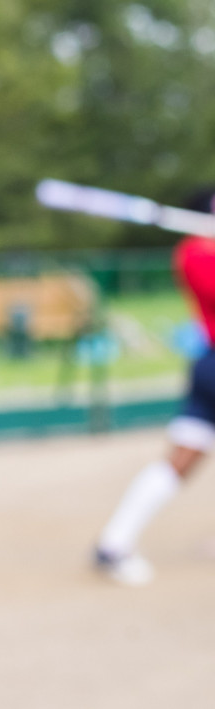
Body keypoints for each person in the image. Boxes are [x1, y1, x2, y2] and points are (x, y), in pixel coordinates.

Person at [94, 188, 215, 586]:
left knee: (186, 454)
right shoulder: (195, 255)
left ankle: (114, 542)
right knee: (178, 460)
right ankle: (115, 544)